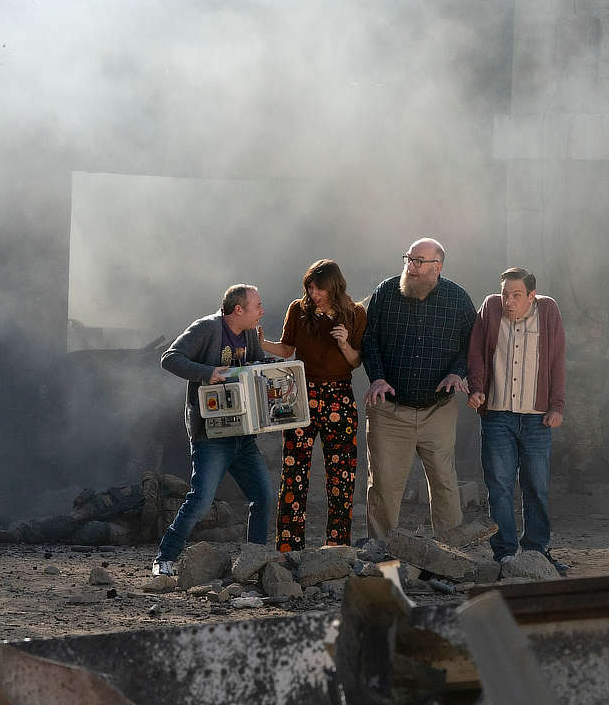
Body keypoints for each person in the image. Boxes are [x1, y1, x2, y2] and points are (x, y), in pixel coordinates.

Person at [151, 284, 275, 576]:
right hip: (212, 435)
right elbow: (169, 358)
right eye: (257, 306)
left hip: (243, 434)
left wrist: (274, 368)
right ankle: (164, 559)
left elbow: (254, 364)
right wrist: (207, 373)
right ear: (238, 310)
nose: (262, 311)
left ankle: (253, 562)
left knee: (264, 496)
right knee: (201, 500)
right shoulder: (206, 328)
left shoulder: (249, 334)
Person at [361, 237, 478, 540]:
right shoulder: (386, 292)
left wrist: (457, 372)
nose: (410, 267)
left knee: (444, 481)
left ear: (437, 267)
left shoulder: (458, 299)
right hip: (389, 408)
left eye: (418, 262)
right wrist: (376, 376)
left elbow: (472, 345)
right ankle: (381, 555)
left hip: (437, 407)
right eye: (408, 260)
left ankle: (452, 552)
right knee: (384, 484)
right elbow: (368, 339)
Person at [261, 260, 367, 552]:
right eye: (309, 286)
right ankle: (289, 548)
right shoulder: (298, 309)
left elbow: (356, 361)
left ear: (334, 286)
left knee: (341, 475)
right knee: (293, 472)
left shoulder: (355, 313)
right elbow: (286, 349)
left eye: (319, 287)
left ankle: (337, 547)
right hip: (300, 394)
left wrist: (345, 343)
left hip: (340, 397)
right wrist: (261, 343)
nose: (314, 292)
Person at [467, 268, 568, 574]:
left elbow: (558, 360)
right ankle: (505, 554)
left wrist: (557, 405)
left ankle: (536, 551)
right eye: (505, 294)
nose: (508, 302)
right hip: (498, 415)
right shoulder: (491, 307)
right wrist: (477, 389)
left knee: (536, 486)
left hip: (537, 419)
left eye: (516, 295)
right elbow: (476, 353)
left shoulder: (548, 310)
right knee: (499, 485)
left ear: (531, 295)